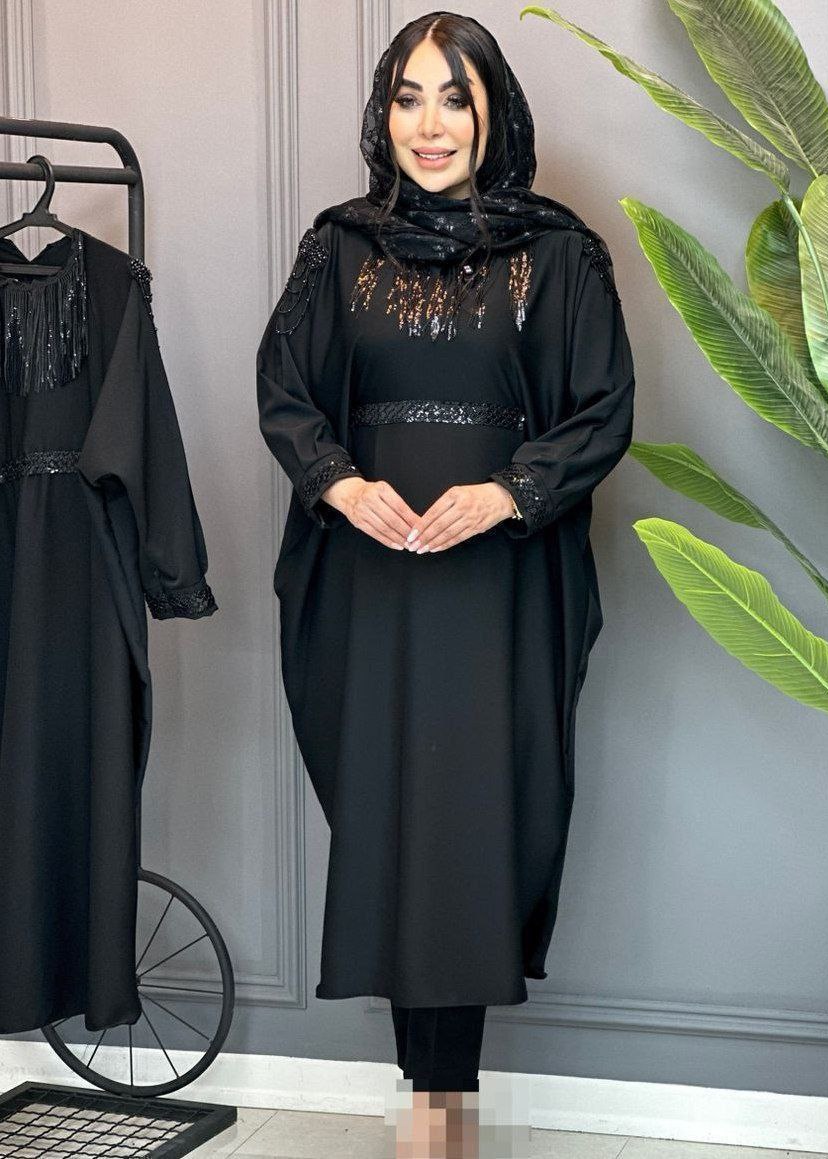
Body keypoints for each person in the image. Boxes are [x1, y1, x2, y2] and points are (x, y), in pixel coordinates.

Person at [256, 10, 635, 1156]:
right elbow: (285, 389)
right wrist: (336, 483)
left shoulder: (556, 253)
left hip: (495, 591)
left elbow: (601, 407)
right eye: (408, 97)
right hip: (370, 585)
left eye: (454, 98)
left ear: (492, 114)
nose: (430, 124)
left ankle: (439, 1112)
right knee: (392, 828)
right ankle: (430, 1105)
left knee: (470, 829)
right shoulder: (339, 247)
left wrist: (508, 494)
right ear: (382, 114)